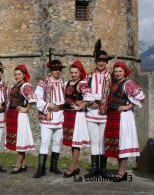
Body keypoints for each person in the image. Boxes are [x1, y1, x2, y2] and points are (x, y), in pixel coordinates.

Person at [104, 61, 146, 182]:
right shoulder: (113, 83)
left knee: (122, 143)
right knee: (116, 144)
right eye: (116, 71)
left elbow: (141, 96)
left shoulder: (128, 83)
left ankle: (121, 172)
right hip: (112, 115)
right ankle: (120, 171)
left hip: (123, 116)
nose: (117, 73)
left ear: (124, 72)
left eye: (120, 71)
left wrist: (128, 106)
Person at [33, 58, 66, 178]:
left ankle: (53, 166)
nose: (57, 71)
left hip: (60, 116)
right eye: (55, 69)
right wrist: (48, 105)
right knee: (45, 142)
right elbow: (37, 98)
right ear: (50, 70)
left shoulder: (63, 83)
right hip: (47, 116)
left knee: (57, 142)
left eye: (59, 69)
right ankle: (41, 168)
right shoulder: (43, 82)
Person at [62, 60, 94, 178]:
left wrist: (80, 106)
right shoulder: (67, 83)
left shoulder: (82, 83)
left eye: (76, 72)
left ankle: (72, 167)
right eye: (72, 72)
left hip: (76, 115)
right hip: (67, 114)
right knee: (71, 142)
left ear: (80, 72)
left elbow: (89, 96)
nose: (73, 74)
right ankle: (76, 167)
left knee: (76, 142)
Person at [85, 39, 111, 178]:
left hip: (105, 112)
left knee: (103, 139)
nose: (101, 63)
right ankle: (95, 168)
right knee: (94, 139)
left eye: (104, 61)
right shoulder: (88, 76)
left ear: (107, 62)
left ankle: (103, 169)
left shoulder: (111, 77)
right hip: (92, 111)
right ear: (96, 61)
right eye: (99, 60)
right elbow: (83, 91)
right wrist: (89, 103)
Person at [5, 64, 37, 174]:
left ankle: (18, 165)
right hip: (13, 115)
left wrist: (26, 108)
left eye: (19, 74)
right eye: (15, 75)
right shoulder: (15, 86)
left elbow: (32, 98)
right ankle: (23, 164)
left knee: (20, 139)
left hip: (20, 115)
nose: (17, 76)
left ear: (24, 74)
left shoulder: (25, 85)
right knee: (19, 138)